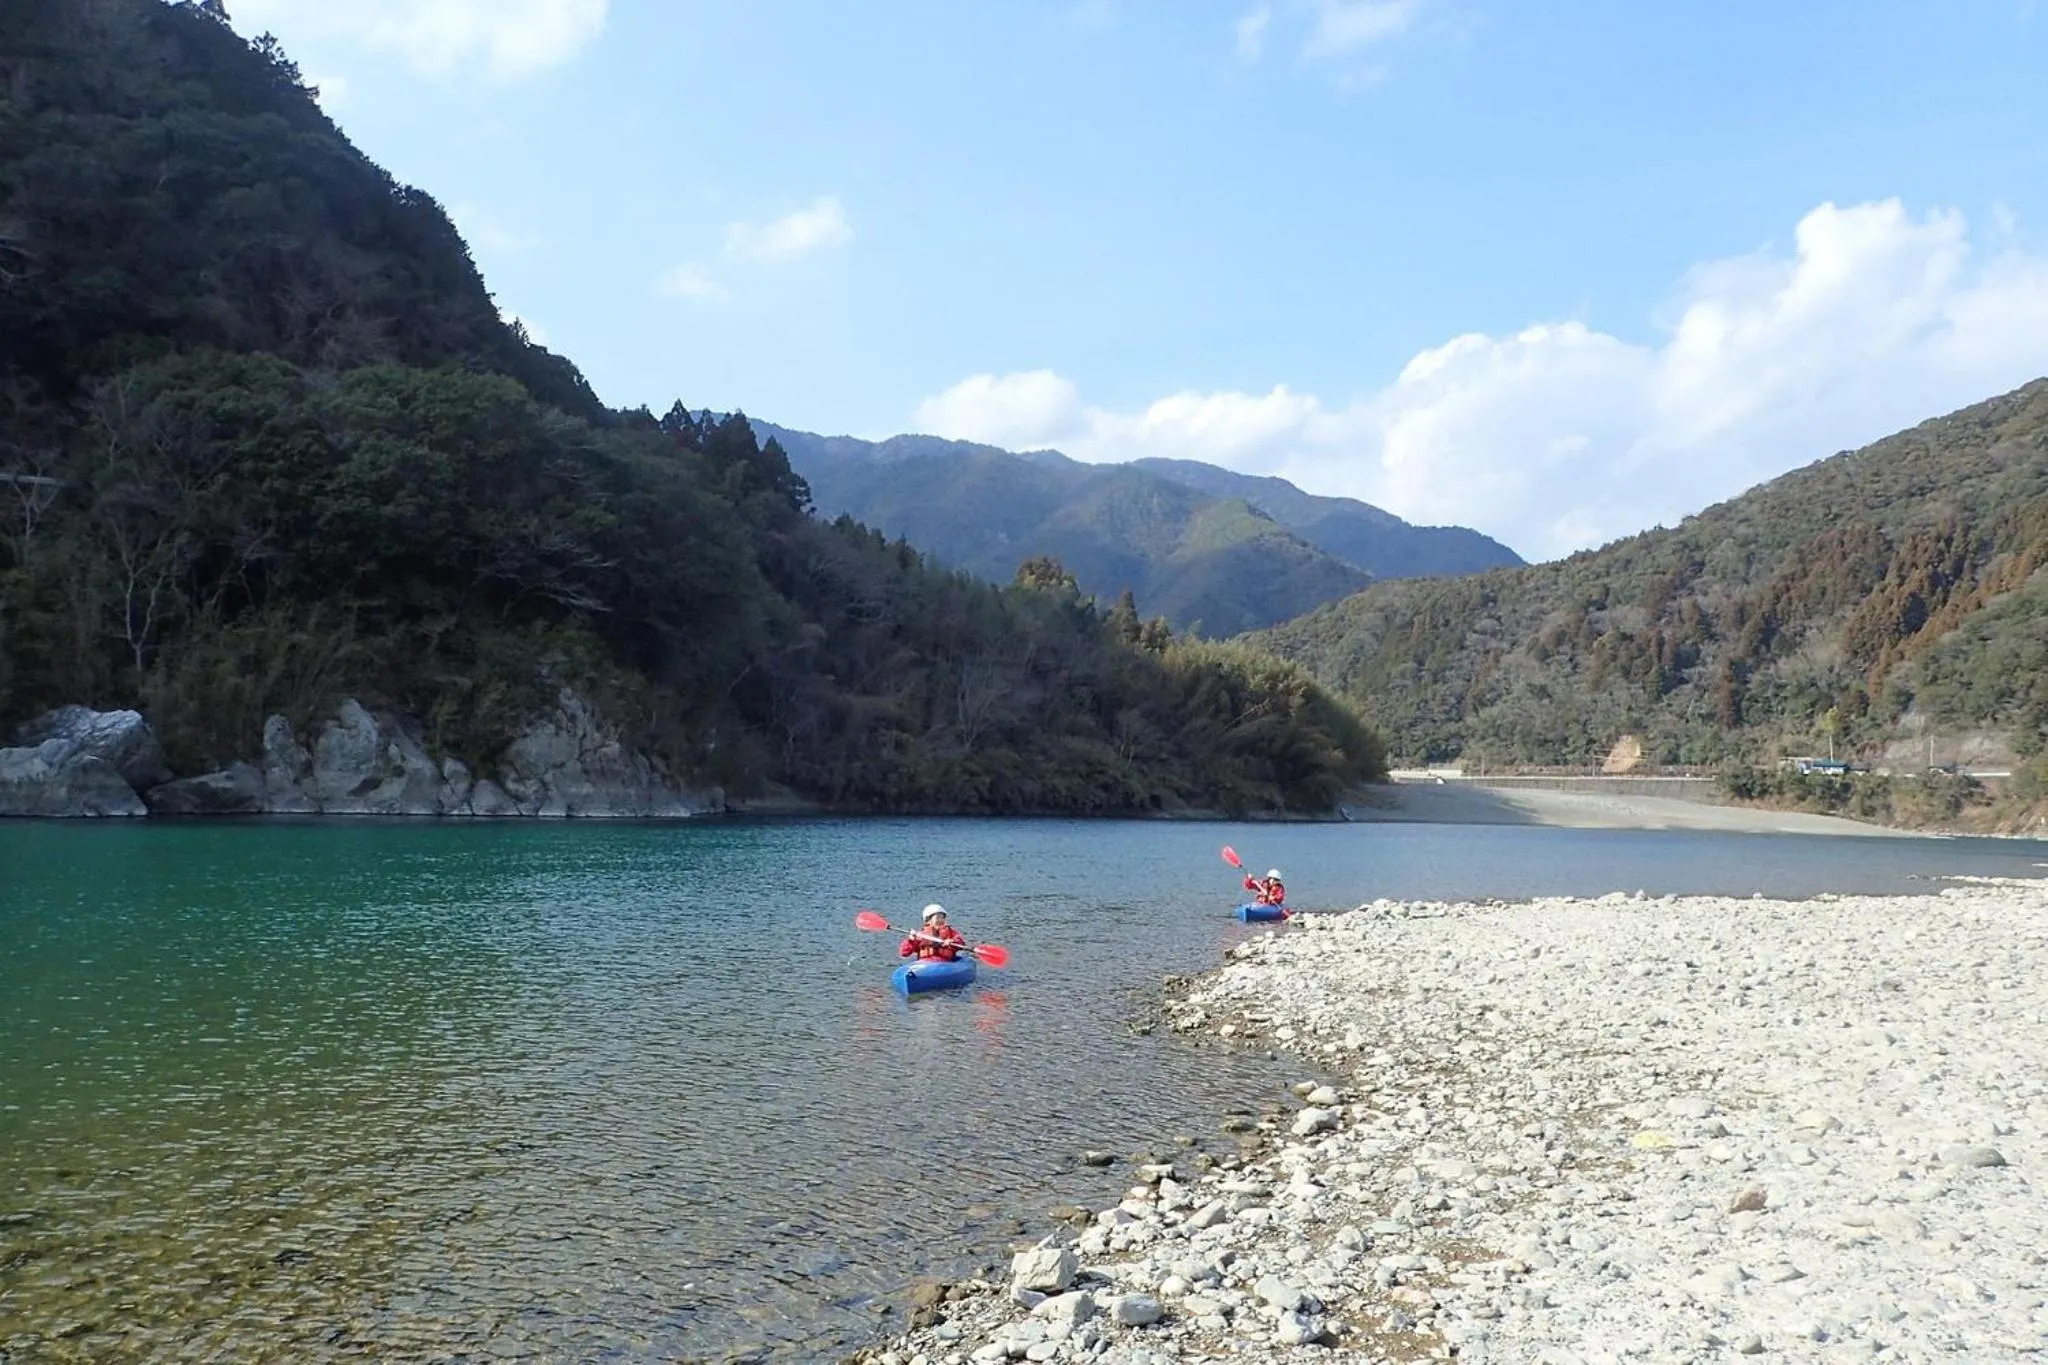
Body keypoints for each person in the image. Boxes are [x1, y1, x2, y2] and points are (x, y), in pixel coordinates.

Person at [901, 903, 967, 961]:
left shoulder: (950, 932)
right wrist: (911, 940)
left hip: (945, 964)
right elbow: (904, 953)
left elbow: (961, 943)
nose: (941, 920)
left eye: (942, 918)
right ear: (928, 920)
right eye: (937, 918)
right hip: (925, 965)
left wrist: (952, 941)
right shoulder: (921, 935)